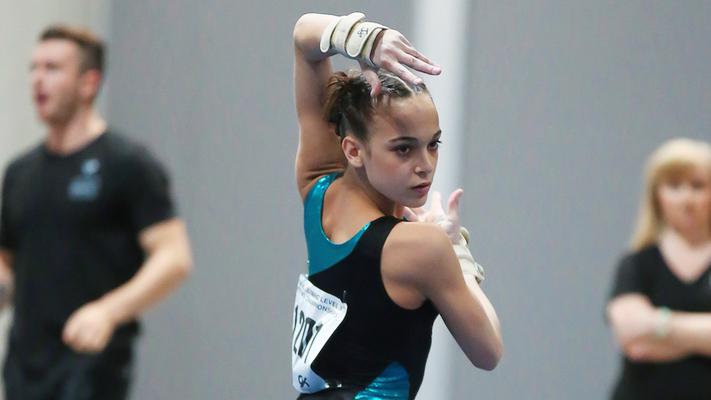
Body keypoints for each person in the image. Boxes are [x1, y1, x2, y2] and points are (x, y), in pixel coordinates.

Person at [291, 12, 502, 399]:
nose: (425, 165)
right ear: (353, 150)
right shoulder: (423, 248)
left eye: (433, 144)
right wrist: (456, 249)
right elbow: (488, 351)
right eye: (404, 149)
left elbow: (305, 37)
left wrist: (364, 38)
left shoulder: (318, 189)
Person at [0, 25, 193, 399]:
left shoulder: (127, 163)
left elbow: (174, 258)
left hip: (91, 370)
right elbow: (7, 263)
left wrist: (108, 311)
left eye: (52, 68)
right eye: (33, 68)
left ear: (88, 83)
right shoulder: (19, 173)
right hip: (25, 370)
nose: (38, 79)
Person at [606, 138, 711, 399]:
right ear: (657, 196)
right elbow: (631, 336)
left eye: (697, 186)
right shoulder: (637, 264)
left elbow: (644, 334)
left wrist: (658, 326)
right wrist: (701, 335)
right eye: (674, 186)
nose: (686, 199)